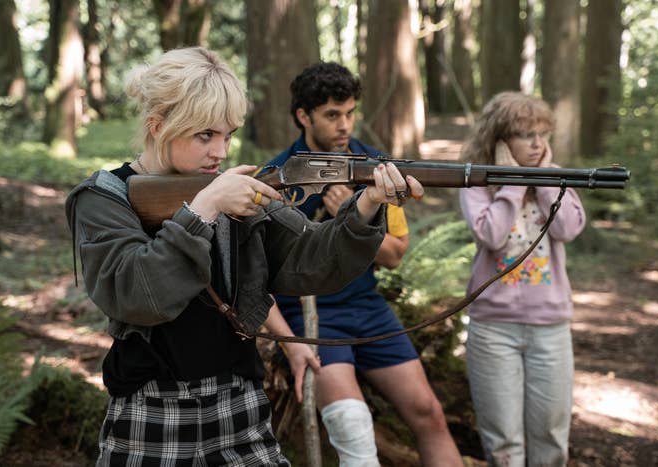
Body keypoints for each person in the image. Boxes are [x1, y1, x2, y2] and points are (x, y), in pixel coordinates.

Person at [65, 47, 424, 466]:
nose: (221, 152)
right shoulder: (106, 198)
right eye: (205, 135)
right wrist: (203, 211)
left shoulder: (232, 189)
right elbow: (138, 295)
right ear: (158, 126)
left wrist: (366, 206)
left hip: (240, 403)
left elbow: (310, 261)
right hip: (150, 410)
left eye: (228, 135)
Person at [265, 62, 463, 467]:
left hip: (367, 307)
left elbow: (395, 254)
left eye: (350, 112)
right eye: (332, 115)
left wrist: (354, 218)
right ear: (304, 116)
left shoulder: (379, 169)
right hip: (310, 315)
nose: (344, 125)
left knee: (429, 412)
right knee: (352, 425)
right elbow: (263, 267)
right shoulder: (276, 176)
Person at [459, 91, 586, 466]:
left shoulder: (555, 177)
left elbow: (568, 227)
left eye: (542, 134)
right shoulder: (477, 182)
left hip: (550, 327)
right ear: (499, 140)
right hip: (493, 330)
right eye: (525, 135)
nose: (537, 144)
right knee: (503, 443)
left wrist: (544, 179)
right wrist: (514, 182)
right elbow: (492, 236)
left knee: (550, 437)